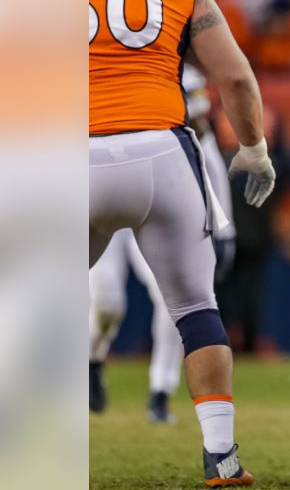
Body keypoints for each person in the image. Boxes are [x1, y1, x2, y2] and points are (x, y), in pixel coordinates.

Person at [89, 0, 276, 487]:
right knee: (196, 308)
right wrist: (252, 148)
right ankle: (221, 455)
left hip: (72, 156)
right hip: (165, 156)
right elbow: (235, 77)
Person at [89, 67, 236, 425]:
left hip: (157, 195)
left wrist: (224, 226)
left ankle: (160, 390)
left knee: (175, 298)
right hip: (101, 190)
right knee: (107, 303)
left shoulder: (177, 73)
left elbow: (206, 151)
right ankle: (91, 358)